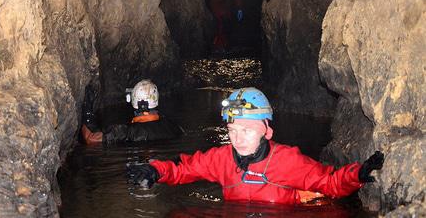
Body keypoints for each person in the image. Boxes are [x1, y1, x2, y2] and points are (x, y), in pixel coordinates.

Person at [127, 87, 384, 204]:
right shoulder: (222, 158)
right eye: (232, 130)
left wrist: (357, 175)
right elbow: (183, 169)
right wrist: (155, 171)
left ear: (267, 131)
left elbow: (329, 182)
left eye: (247, 130)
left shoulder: (288, 161)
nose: (237, 139)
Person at [81, 79, 184, 145]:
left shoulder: (128, 132)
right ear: (156, 100)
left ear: (133, 101)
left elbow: (91, 139)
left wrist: (87, 111)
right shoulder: (174, 127)